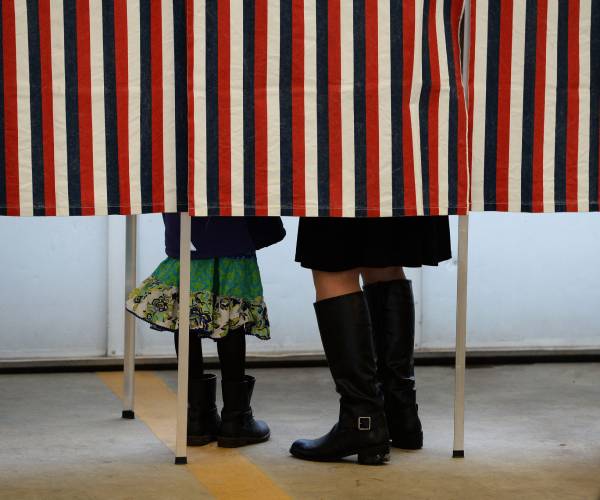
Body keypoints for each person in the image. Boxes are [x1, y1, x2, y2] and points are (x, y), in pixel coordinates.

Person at [290, 217, 451, 465]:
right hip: (400, 179)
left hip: (344, 179)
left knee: (333, 263)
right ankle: (400, 414)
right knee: (383, 254)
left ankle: (362, 419)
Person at [127, 214, 285, 448]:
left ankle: (197, 417)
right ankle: (236, 418)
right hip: (231, 224)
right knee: (231, 314)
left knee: (187, 315)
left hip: (187, 228)